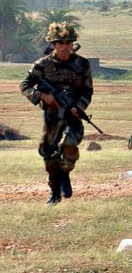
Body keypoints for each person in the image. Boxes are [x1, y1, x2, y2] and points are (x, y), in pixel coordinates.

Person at [19, 22, 93, 204]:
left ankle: (64, 173)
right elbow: (25, 86)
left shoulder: (82, 64)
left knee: (69, 146)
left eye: (68, 43)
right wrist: (43, 96)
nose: (64, 47)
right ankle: (54, 191)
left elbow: (87, 90)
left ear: (73, 44)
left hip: (73, 113)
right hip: (52, 115)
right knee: (47, 150)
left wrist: (79, 106)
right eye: (60, 43)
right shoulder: (42, 65)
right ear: (53, 44)